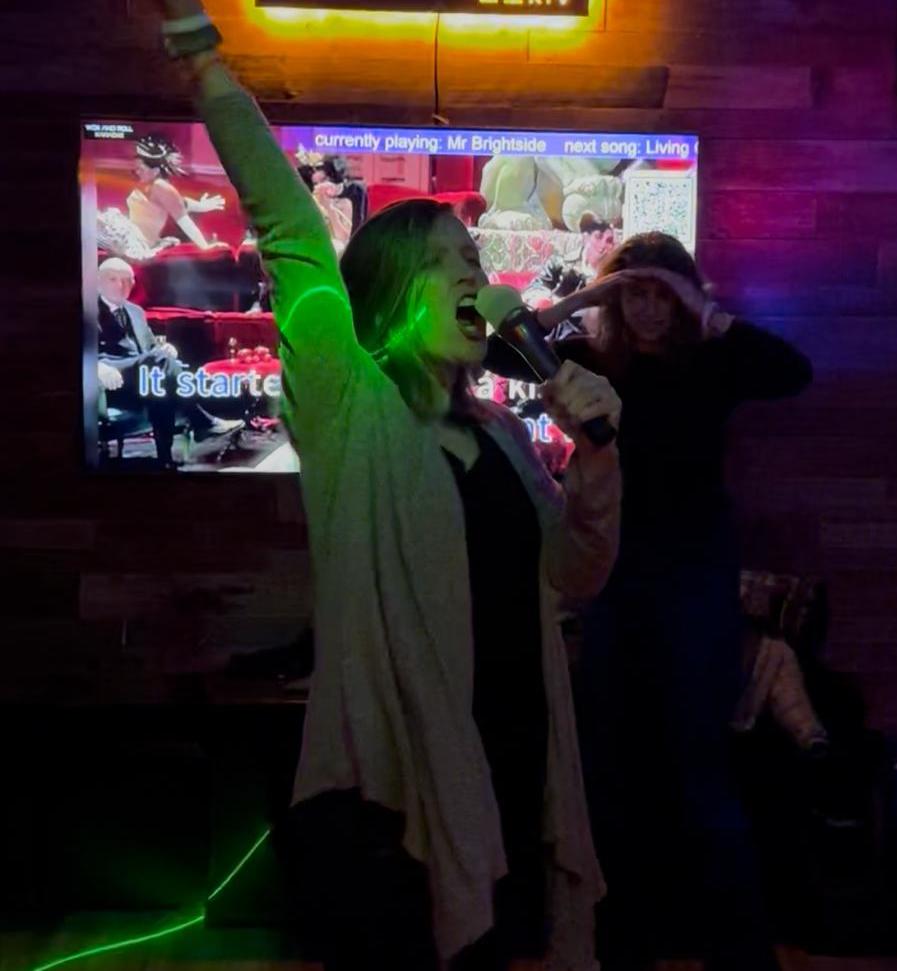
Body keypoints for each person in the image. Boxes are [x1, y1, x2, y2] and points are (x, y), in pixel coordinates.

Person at [151, 3, 624, 969]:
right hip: (394, 789)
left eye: (476, 261)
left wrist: (598, 460)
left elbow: (576, 576)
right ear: (395, 288)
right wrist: (201, 58)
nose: (475, 278)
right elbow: (289, 225)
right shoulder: (349, 405)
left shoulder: (503, 436)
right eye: (449, 263)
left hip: (513, 761)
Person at [484, 231, 812, 971]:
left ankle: (740, 955)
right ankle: (623, 947)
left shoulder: (713, 361)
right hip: (613, 572)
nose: (648, 308)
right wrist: (585, 296)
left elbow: (794, 371)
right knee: (611, 764)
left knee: (699, 763)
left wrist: (704, 308)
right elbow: (497, 354)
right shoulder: (593, 362)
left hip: (695, 572)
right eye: (635, 293)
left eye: (663, 294)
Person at [97, 257, 243, 467]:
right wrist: (95, 366)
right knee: (160, 367)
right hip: (111, 374)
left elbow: (150, 349)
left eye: (127, 280)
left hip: (142, 375)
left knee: (162, 384)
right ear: (99, 281)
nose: (121, 285)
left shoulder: (136, 312)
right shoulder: (87, 310)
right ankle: (202, 422)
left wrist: (166, 350)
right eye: (113, 279)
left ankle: (165, 460)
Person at [97, 133, 226, 261]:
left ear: (155, 171)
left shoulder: (161, 187)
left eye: (141, 168)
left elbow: (183, 219)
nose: (137, 171)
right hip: (127, 236)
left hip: (134, 241)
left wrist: (204, 247)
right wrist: (200, 206)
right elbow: (181, 203)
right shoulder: (152, 186)